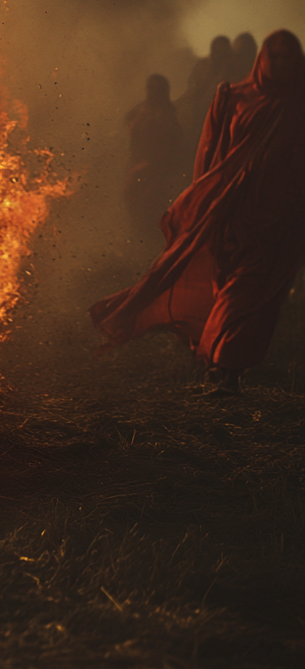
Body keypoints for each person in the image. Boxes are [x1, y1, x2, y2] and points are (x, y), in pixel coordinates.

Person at [91, 30, 305, 396]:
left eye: (290, 57)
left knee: (256, 295)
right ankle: (219, 360)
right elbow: (210, 155)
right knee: (226, 286)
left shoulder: (299, 102)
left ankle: (228, 368)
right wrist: (203, 203)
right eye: (277, 56)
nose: (282, 64)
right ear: (263, 59)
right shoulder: (232, 97)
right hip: (232, 208)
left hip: (282, 215)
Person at [123, 74, 185, 243]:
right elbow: (128, 119)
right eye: (150, 88)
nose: (151, 92)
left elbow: (173, 147)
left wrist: (154, 167)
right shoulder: (144, 108)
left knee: (149, 212)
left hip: (155, 172)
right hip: (137, 165)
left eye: (155, 89)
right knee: (133, 208)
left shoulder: (167, 116)